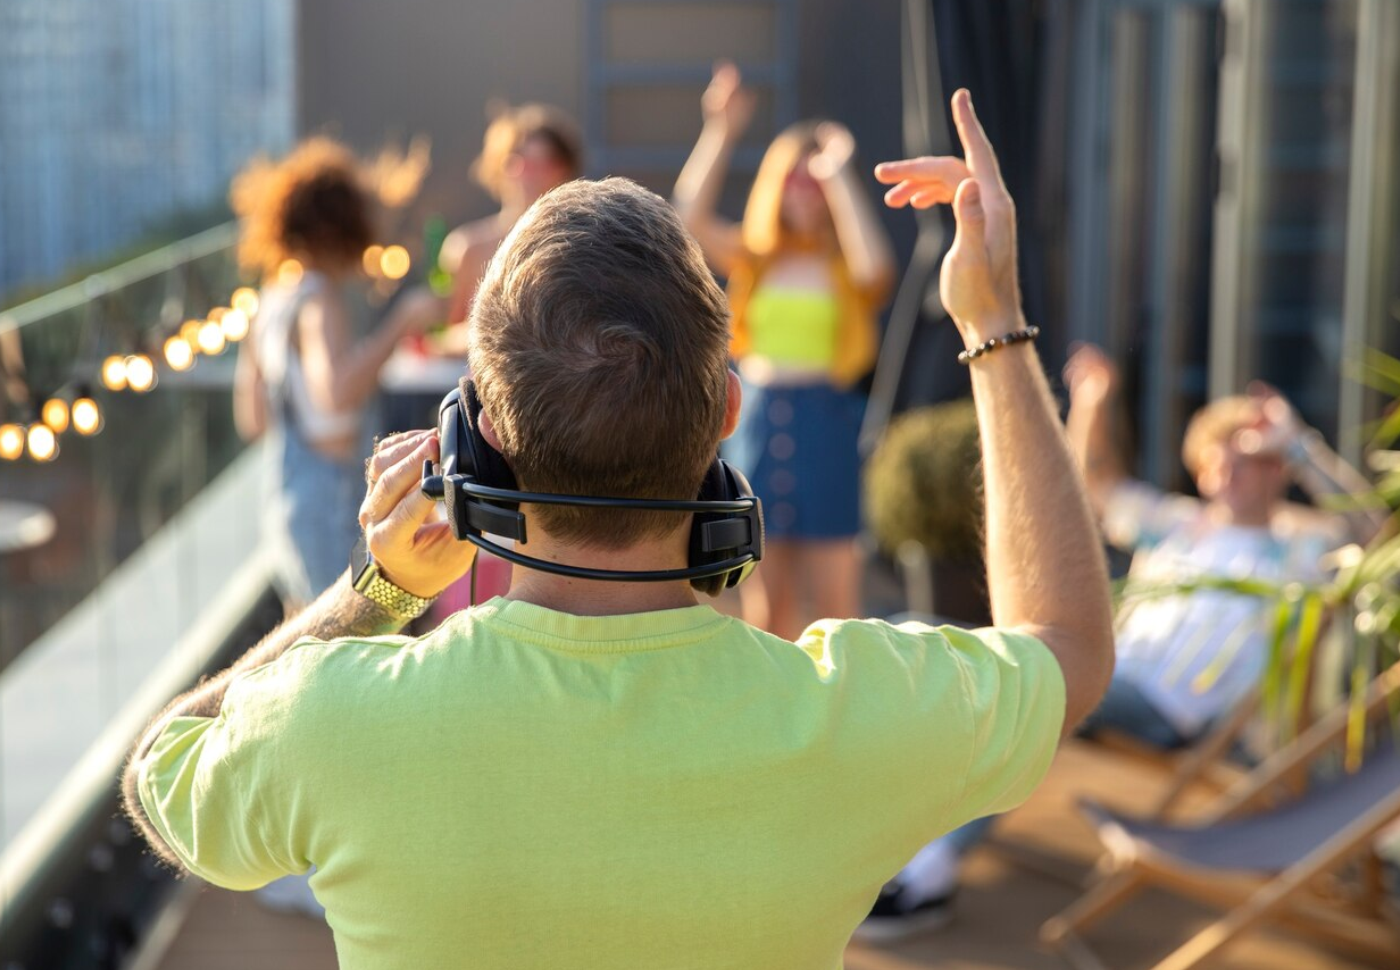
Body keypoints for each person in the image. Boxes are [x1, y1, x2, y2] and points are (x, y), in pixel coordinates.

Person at [124, 90, 1114, 969]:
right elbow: (1065, 647)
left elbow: (161, 766)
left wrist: (374, 593)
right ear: (726, 410)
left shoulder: (333, 718)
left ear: (476, 436)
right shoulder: (849, 709)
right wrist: (993, 328)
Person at [856, 341, 1385, 940]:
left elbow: (1379, 535)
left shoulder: (1304, 546)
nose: (1237, 469)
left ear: (1279, 471)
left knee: (1019, 693)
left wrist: (1300, 443)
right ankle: (894, 837)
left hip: (1164, 706)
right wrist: (1092, 401)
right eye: (1223, 457)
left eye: (1257, 459)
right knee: (910, 631)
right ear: (1203, 467)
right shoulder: (1179, 525)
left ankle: (924, 874)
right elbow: (1084, 488)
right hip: (1107, 672)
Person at [673, 62, 896, 638]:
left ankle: (837, 723)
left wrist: (840, 174)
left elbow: (878, 270)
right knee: (767, 612)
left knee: (837, 610)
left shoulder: (844, 262)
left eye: (813, 180)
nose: (804, 190)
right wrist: (720, 129)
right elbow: (687, 218)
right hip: (761, 418)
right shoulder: (757, 254)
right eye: (793, 178)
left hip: (825, 417)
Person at [232, 137, 442, 610]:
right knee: (353, 633)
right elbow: (338, 394)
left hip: (283, 492)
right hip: (331, 493)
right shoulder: (320, 298)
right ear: (343, 225)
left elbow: (253, 420)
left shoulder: (270, 299)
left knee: (304, 634)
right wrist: (401, 322)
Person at [438, 102, 582, 335]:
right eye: (520, 161)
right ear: (500, 165)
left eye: (544, 163)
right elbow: (443, 332)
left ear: (563, 171)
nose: (530, 175)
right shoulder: (468, 246)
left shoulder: (580, 245)